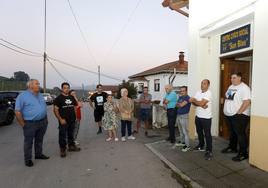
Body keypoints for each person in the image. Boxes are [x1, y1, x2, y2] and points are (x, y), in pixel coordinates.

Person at [15, 79, 49, 167]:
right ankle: (28, 159)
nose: (39, 85)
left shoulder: (40, 95)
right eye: (37, 84)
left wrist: (45, 119)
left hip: (42, 122)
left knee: (39, 140)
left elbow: (43, 108)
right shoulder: (22, 96)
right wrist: (23, 124)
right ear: (30, 86)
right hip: (30, 123)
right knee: (28, 142)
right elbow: (17, 112)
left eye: (38, 84)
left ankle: (38, 154)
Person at [222, 72, 251, 162]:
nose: (232, 79)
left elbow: (247, 101)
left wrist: (239, 112)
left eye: (234, 78)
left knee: (240, 134)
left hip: (240, 115)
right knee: (232, 133)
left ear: (239, 78)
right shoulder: (231, 87)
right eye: (231, 78)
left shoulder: (244, 88)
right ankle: (232, 147)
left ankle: (243, 154)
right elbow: (229, 99)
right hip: (229, 114)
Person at [53, 82, 80, 158]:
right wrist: (60, 119)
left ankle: (71, 146)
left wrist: (75, 117)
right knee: (62, 135)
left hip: (72, 120)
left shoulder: (71, 97)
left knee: (71, 134)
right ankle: (62, 150)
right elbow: (55, 110)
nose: (66, 89)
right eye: (65, 88)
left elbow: (75, 106)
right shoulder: (58, 98)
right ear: (62, 89)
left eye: (68, 88)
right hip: (63, 120)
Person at [189, 79, 213, 160]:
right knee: (199, 133)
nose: (202, 85)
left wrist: (197, 102)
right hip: (198, 116)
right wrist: (201, 104)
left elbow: (199, 102)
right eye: (202, 83)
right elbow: (193, 103)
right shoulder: (198, 92)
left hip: (206, 118)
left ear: (208, 85)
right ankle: (201, 145)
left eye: (204, 83)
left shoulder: (208, 93)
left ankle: (209, 150)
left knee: (207, 134)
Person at [175, 86, 191, 152]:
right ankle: (182, 142)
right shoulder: (180, 97)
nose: (182, 92)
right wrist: (179, 104)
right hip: (178, 115)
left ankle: (188, 146)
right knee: (181, 131)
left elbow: (181, 105)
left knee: (185, 132)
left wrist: (179, 104)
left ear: (186, 91)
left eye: (183, 91)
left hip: (184, 116)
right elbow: (176, 105)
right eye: (181, 91)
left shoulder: (187, 98)